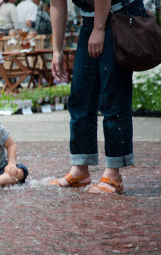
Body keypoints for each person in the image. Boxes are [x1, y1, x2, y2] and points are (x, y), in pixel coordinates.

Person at [48, 0, 147, 194]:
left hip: (120, 14)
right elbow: (56, 5)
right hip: (89, 19)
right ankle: (80, 169)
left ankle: (113, 174)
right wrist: (57, 51)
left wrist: (100, 28)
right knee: (80, 96)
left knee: (113, 94)